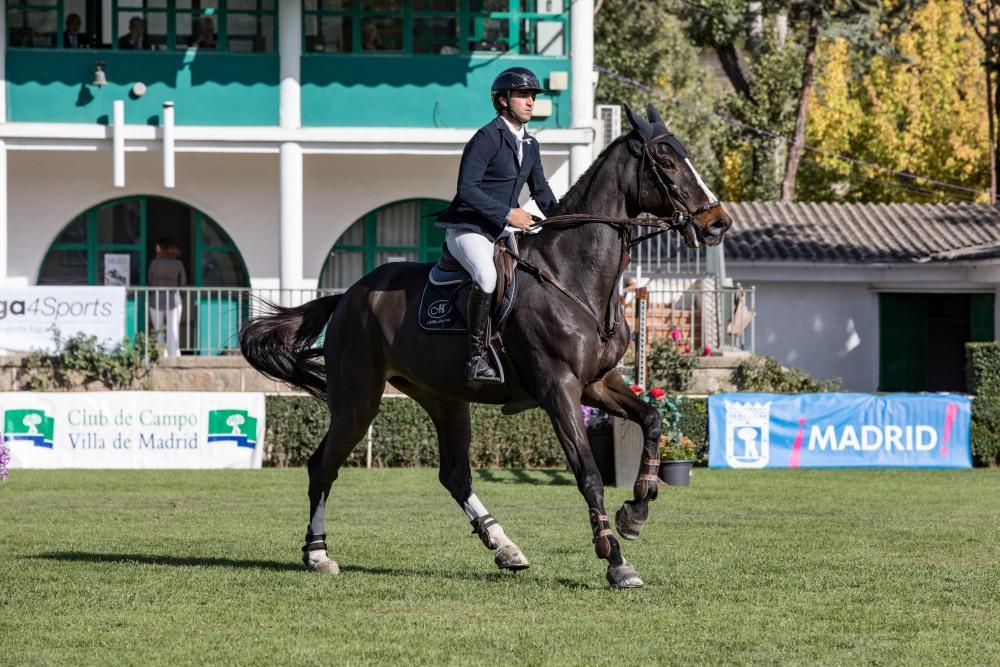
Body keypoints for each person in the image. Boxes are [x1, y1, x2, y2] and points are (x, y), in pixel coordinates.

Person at [436, 67, 558, 385]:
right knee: (488, 276)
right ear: (503, 101)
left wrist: (562, 222)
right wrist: (508, 214)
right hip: (468, 229)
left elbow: (541, 191)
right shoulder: (486, 138)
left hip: (500, 230)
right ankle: (475, 359)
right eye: (523, 95)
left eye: (532, 95)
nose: (530, 101)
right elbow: (468, 189)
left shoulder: (529, 144)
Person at [148, 239, 187, 357]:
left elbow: (150, 281)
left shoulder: (154, 263)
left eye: (158, 247)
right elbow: (183, 283)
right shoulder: (178, 264)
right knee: (173, 328)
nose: (156, 249)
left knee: (158, 329)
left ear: (162, 248)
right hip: (173, 298)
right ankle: (174, 353)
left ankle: (161, 353)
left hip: (156, 298)